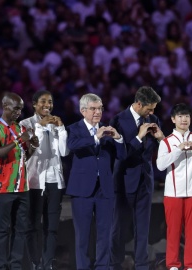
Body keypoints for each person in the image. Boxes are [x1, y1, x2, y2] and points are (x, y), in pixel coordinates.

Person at [66, 93, 126, 270]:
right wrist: (95, 137)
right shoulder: (74, 129)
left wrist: (118, 138)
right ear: (83, 110)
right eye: (93, 109)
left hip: (105, 190)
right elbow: (72, 146)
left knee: (105, 235)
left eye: (100, 108)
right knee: (82, 236)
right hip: (82, 190)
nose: (98, 112)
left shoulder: (108, 130)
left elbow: (122, 155)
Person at [110, 86, 165, 270]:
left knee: (143, 229)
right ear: (139, 104)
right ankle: (115, 264)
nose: (152, 112)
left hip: (145, 181)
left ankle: (142, 266)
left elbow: (162, 152)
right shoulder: (118, 120)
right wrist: (139, 137)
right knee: (119, 228)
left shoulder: (154, 120)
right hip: (124, 181)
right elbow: (120, 155)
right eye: (149, 108)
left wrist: (160, 139)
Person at [0, 92, 39, 270]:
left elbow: (25, 157)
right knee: (2, 231)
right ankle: (1, 267)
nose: (19, 112)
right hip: (3, 188)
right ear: (5, 106)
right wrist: (17, 141)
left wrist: (32, 146)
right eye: (16, 108)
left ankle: (16, 266)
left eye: (21, 109)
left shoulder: (20, 128)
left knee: (20, 230)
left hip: (22, 187)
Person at [156, 103, 192, 270]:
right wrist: (179, 150)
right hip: (173, 193)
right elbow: (160, 165)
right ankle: (173, 265)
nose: (184, 119)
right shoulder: (166, 142)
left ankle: (191, 265)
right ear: (173, 119)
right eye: (180, 116)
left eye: (186, 116)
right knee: (173, 231)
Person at [19, 90, 69, 270]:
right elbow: (32, 150)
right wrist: (39, 126)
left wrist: (62, 129)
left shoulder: (56, 125)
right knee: (32, 225)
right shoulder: (25, 124)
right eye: (43, 101)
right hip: (34, 181)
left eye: (50, 101)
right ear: (34, 104)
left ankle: (47, 264)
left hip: (55, 181)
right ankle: (35, 262)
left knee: (52, 227)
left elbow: (64, 152)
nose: (47, 105)